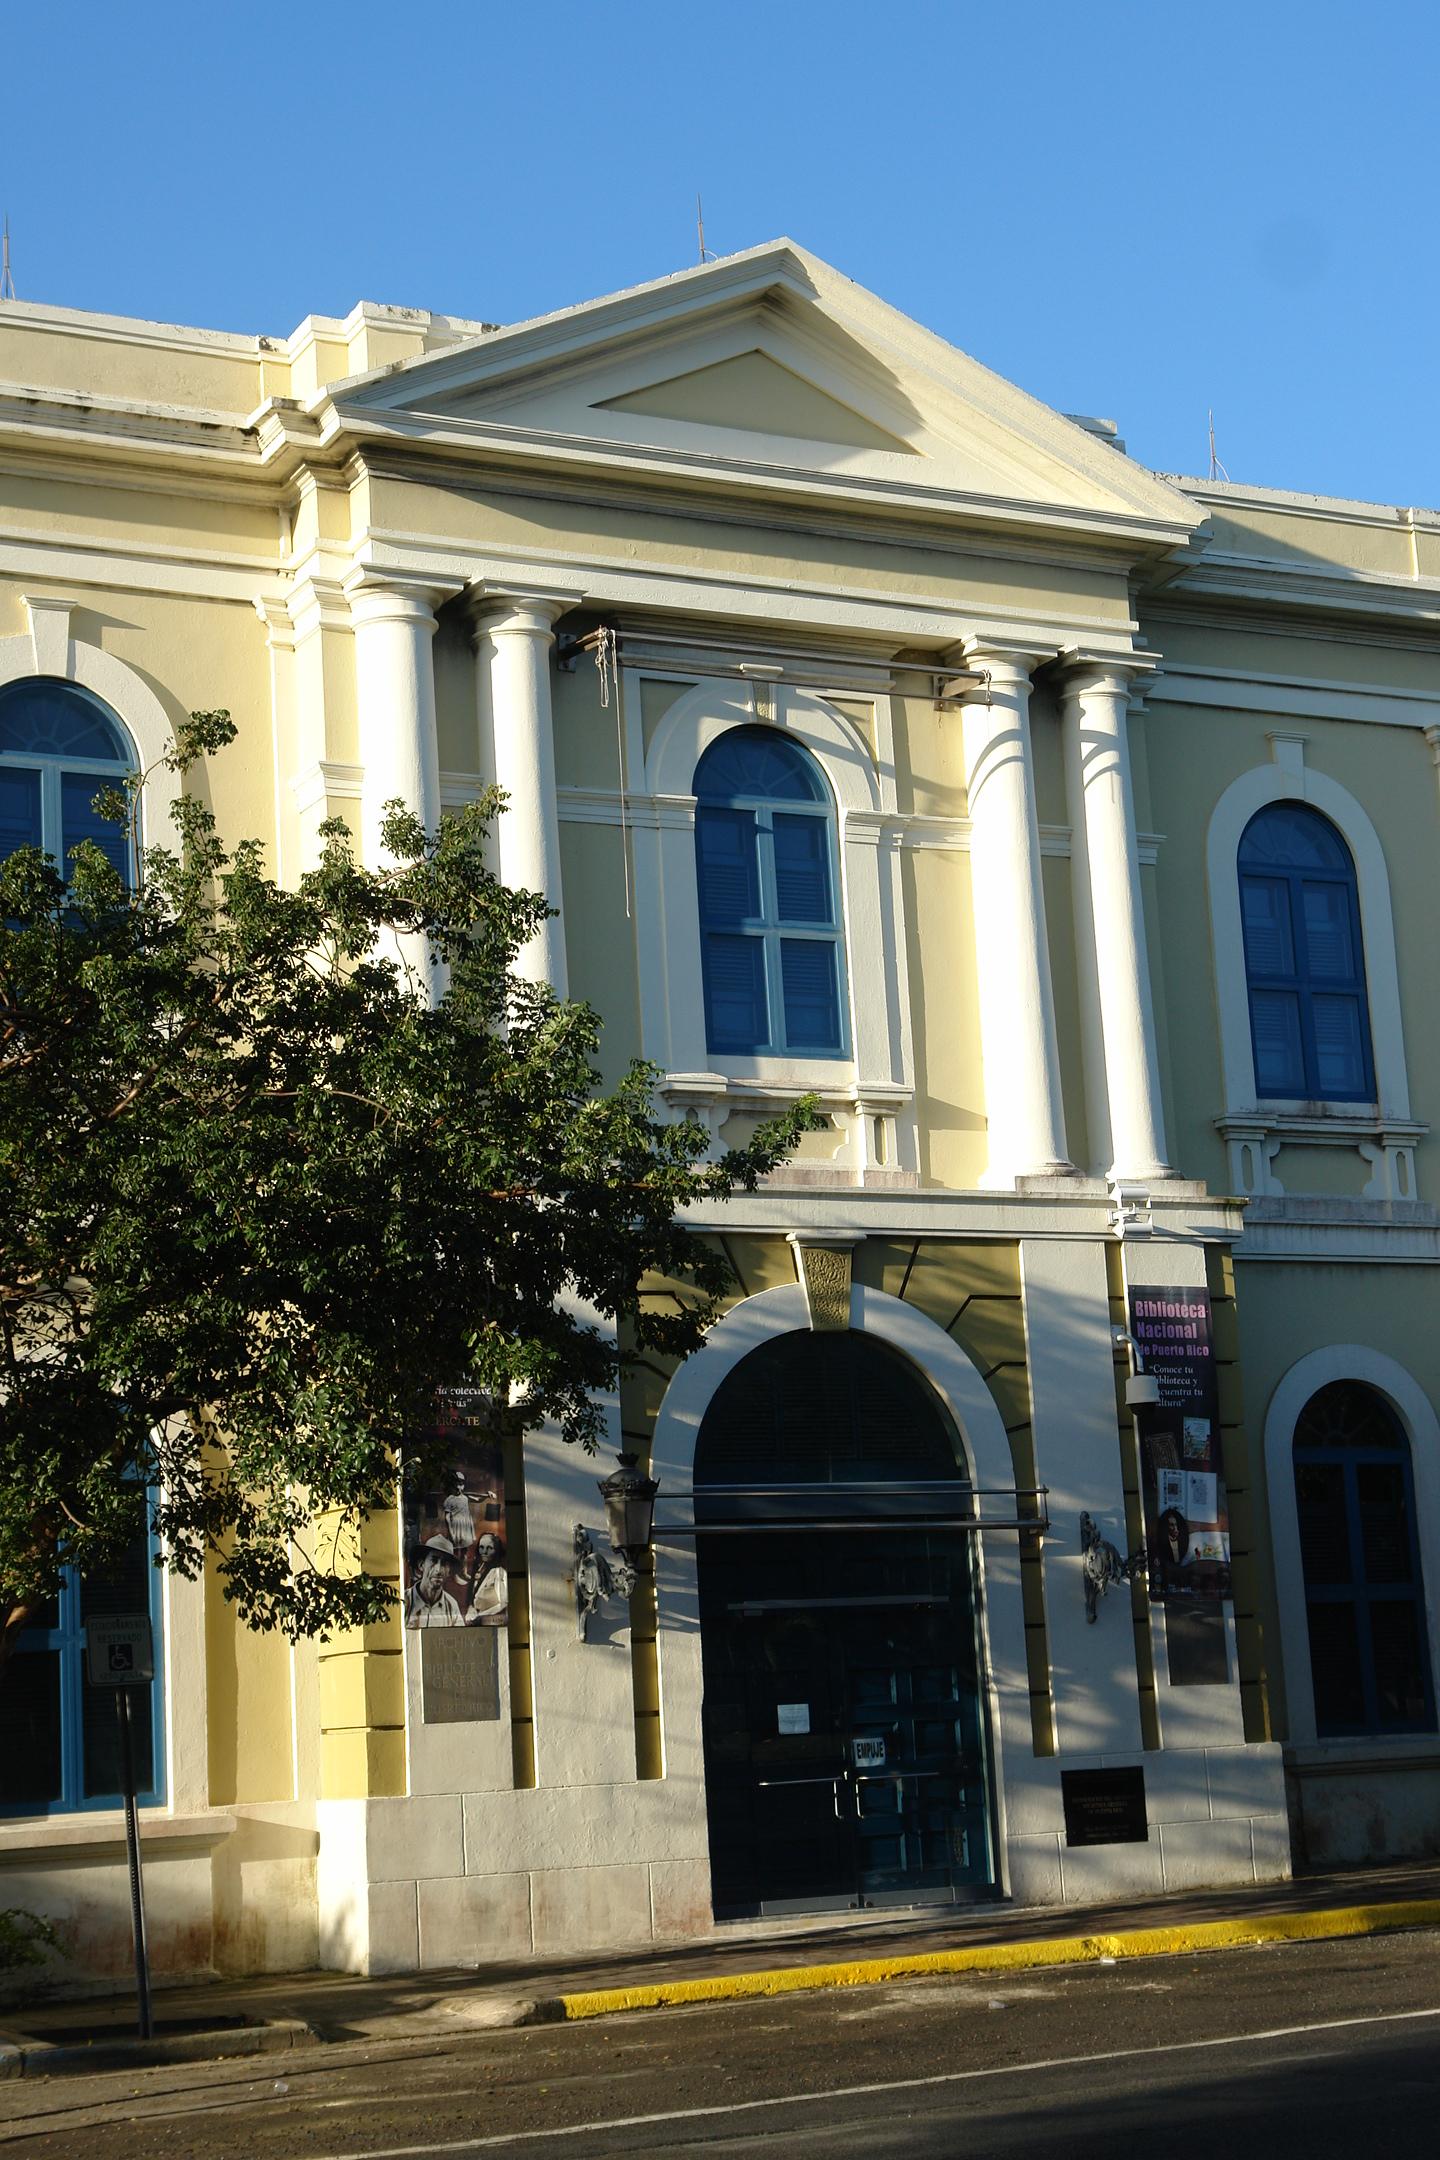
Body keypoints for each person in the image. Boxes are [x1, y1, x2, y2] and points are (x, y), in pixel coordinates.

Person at [404, 1535, 466, 1628]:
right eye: (434, 1560)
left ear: (449, 1571)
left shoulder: (451, 1605)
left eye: (444, 1563)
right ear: (421, 1565)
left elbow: (459, 1636)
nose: (438, 1570)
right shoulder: (405, 1601)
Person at [466, 1532, 508, 1625]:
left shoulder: (499, 1572)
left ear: (496, 1550)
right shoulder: (480, 1569)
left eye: (489, 1548)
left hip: (489, 1622)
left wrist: (481, 1616)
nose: (484, 1552)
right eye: (481, 1547)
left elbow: (503, 1602)